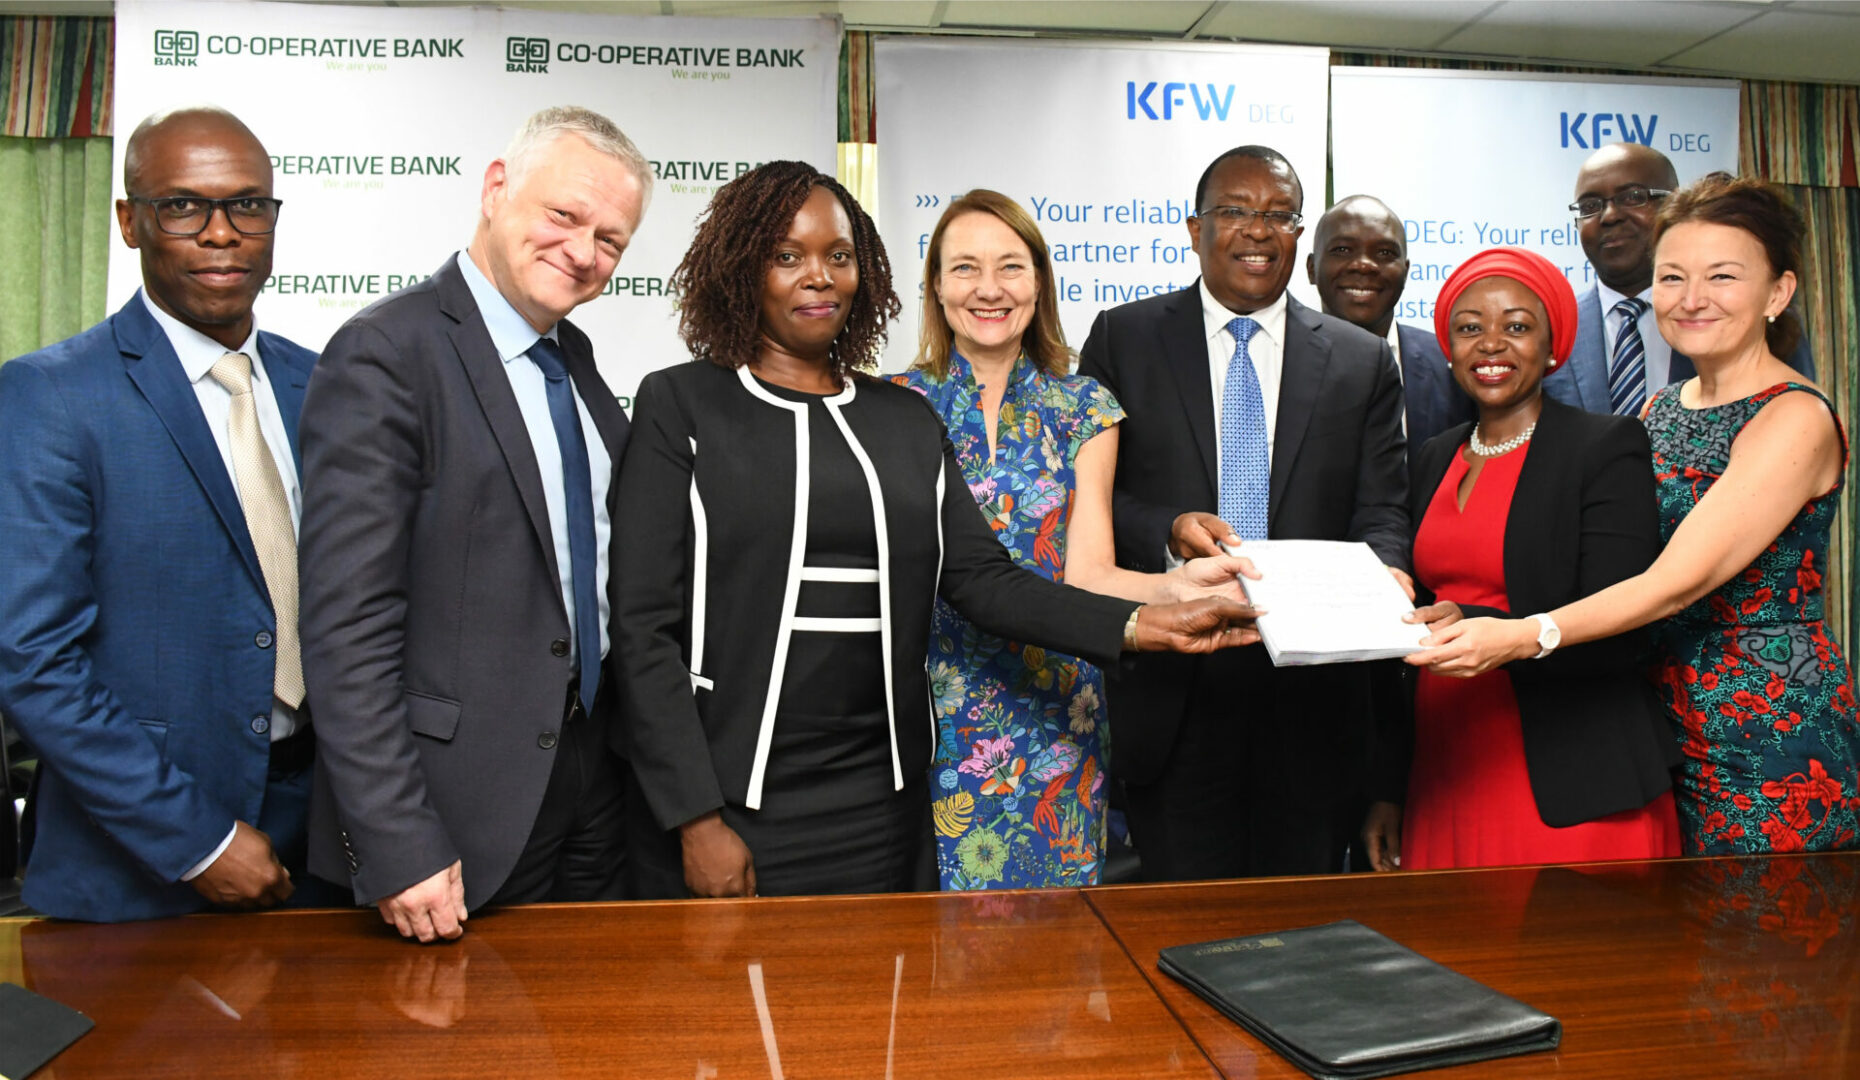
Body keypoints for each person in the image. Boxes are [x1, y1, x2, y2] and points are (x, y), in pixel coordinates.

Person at [615, 161, 1258, 900]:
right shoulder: (682, 404)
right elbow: (643, 628)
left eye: (839, 255)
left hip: (882, 804)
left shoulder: (901, 420)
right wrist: (694, 818)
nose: (818, 276)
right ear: (740, 268)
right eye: (786, 256)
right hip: (734, 797)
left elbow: (986, 582)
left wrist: (1152, 623)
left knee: (886, 1013)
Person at [1409, 174, 1860, 856]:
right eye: (1673, 277)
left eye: (1723, 277)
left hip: (1765, 728)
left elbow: (1674, 581)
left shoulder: (1795, 415)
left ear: (1778, 292)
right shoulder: (1659, 409)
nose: (1693, 299)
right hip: (1659, 724)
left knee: (1765, 947)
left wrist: (1521, 635)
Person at [299, 106, 649, 941]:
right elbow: (347, 626)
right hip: (452, 809)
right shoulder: (388, 351)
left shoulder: (576, 357)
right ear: (496, 189)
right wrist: (396, 839)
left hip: (589, 779)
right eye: (564, 215)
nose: (583, 251)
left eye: (611, 241)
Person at [0, 107, 326, 921]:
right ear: (130, 222)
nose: (222, 234)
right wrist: (198, 839)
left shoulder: (321, 385)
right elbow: (33, 656)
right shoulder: (52, 395)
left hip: (326, 844)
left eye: (248, 205)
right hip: (139, 858)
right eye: (184, 206)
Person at [891, 190, 1250, 890]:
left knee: (1053, 953)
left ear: (1040, 281)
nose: (989, 289)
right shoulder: (893, 403)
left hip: (1057, 710)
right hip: (927, 711)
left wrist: (1180, 586)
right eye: (964, 268)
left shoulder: (1083, 406)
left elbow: (1090, 572)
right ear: (935, 285)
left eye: (1010, 267)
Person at [1077, 145, 1411, 880]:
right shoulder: (1122, 339)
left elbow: (1382, 509)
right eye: (1235, 211)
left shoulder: (1360, 361)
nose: (1257, 231)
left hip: (1316, 704)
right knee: (1182, 922)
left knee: (1307, 935)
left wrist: (1388, 572)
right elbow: (1093, 503)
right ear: (1196, 230)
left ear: (1301, 239)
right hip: (1175, 695)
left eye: (1278, 216)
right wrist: (1165, 528)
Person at [1360, 248, 1680, 872]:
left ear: (1553, 346)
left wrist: (1484, 623)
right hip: (1445, 764)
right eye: (1470, 327)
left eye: (1517, 325)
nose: (1492, 344)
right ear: (1447, 349)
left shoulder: (1604, 447)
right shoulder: (1432, 456)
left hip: (1566, 771)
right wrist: (1387, 787)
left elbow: (1625, 631)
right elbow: (1410, 629)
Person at [1550, 143, 1813, 416]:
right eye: (1590, 205)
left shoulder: (1758, 321)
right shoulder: (1550, 329)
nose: (1610, 216)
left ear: (1673, 206)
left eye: (1633, 197)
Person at [1305, 194, 1474, 451]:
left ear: (1406, 272)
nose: (1364, 265)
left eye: (1384, 252)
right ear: (1311, 269)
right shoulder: (1278, 360)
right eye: (1342, 250)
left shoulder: (1453, 363)